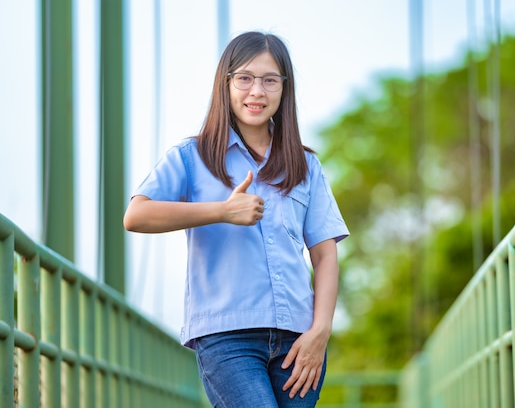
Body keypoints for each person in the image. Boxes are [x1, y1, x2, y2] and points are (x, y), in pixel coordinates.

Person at [123, 31, 349, 407]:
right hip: (227, 337)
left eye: (270, 80)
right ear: (225, 84)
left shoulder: (306, 165)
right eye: (244, 78)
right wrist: (222, 211)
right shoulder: (191, 156)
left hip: (299, 339)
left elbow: (324, 254)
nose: (256, 91)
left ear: (284, 88)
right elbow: (137, 215)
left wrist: (320, 332)